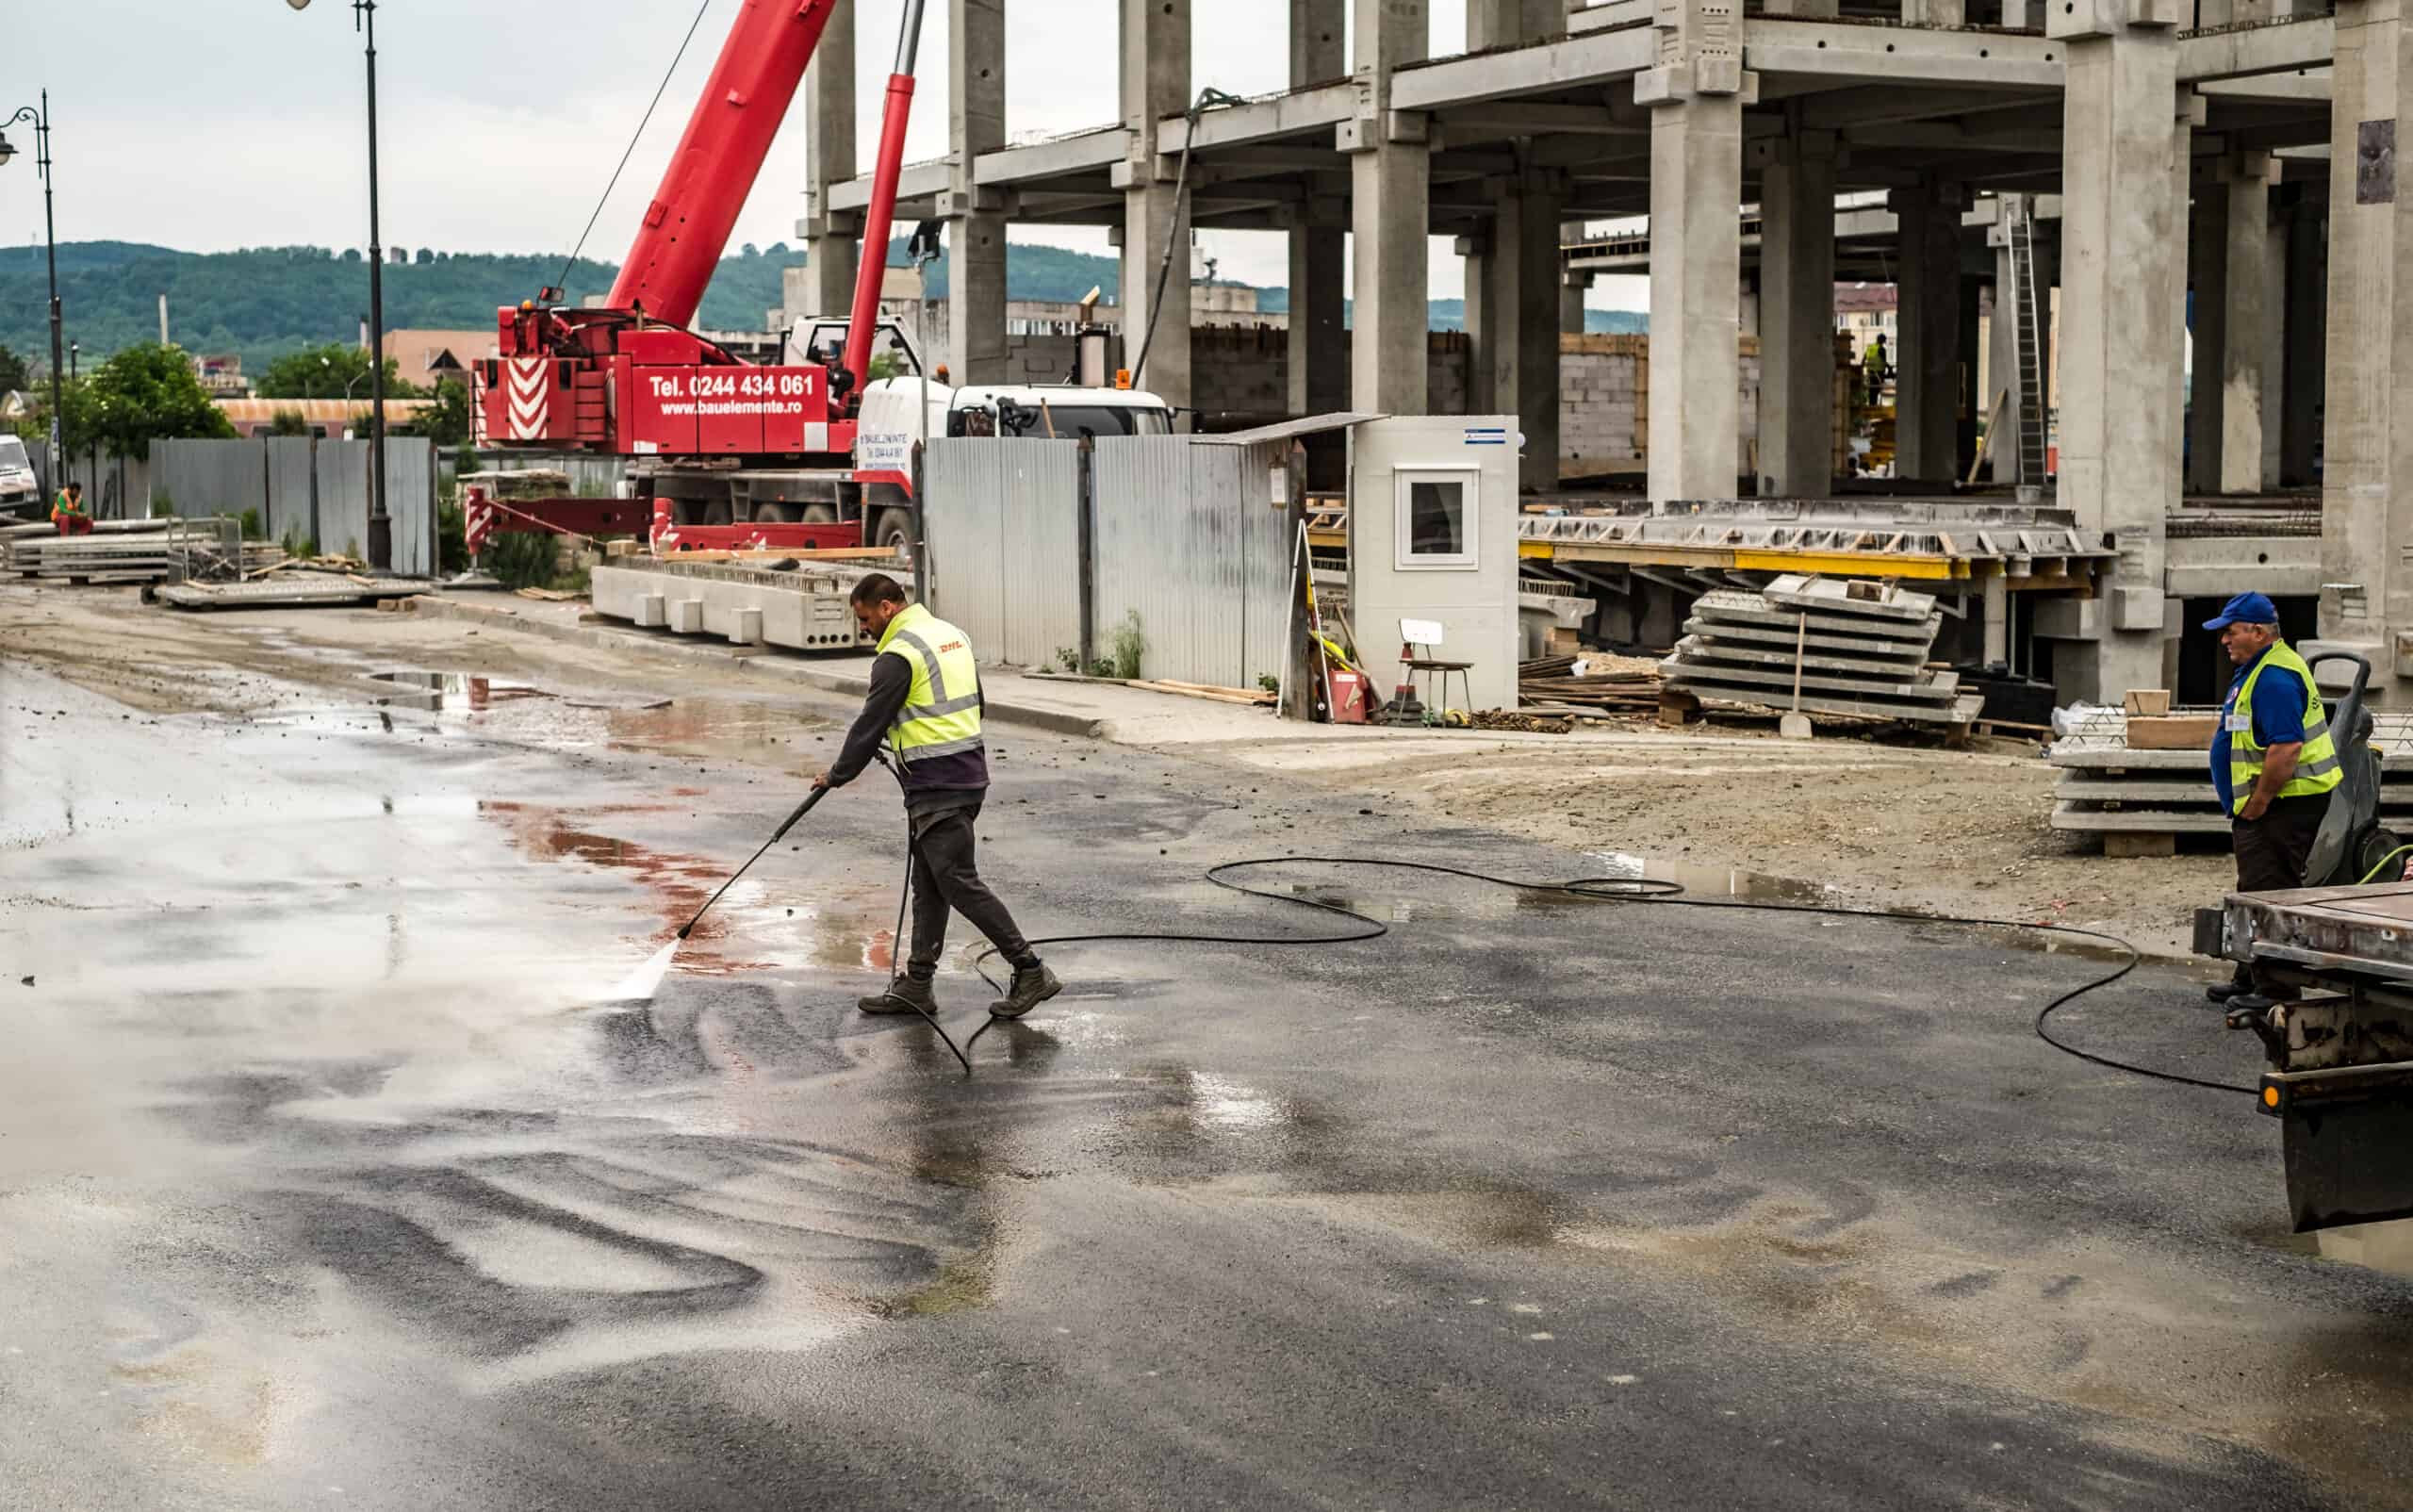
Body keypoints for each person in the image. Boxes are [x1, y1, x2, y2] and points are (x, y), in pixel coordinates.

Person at [811, 573, 1061, 1021]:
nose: (864, 628)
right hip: (965, 773)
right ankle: (918, 984)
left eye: (865, 618)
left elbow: (869, 725)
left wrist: (836, 775)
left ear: (887, 607)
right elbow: (974, 703)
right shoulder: (951, 635)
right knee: (929, 883)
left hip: (938, 783)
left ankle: (1030, 969)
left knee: (956, 881)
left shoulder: (898, 655)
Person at [2203, 591, 2342, 1003]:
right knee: (2254, 888)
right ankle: (2251, 975)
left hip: (2283, 804)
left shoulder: (2275, 679)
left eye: (2231, 632)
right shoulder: (2259, 666)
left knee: (2270, 894)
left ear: (2258, 631)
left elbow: (2286, 749)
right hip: (2270, 805)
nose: (2224, 640)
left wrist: (2259, 801)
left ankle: (2277, 989)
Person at [1863, 334, 1889, 407]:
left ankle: (1871, 405)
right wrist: (1889, 368)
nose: (1884, 342)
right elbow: (1884, 362)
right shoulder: (1881, 349)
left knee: (1871, 391)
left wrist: (1861, 367)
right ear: (1882, 340)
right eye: (1884, 340)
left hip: (1870, 373)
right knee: (1876, 390)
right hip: (1878, 373)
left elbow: (1864, 358)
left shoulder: (1870, 347)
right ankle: (1874, 406)